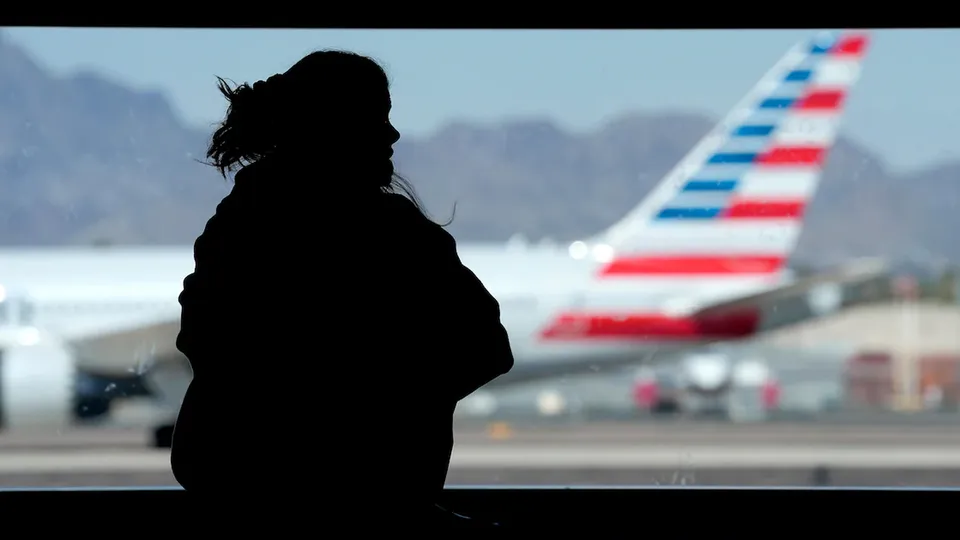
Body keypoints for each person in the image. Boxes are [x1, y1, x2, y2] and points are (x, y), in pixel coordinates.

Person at [170, 50, 514, 527]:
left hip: (233, 493)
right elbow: (486, 348)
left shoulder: (235, 229)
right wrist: (396, 410)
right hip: (376, 501)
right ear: (330, 126)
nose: (392, 134)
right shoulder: (393, 235)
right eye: (377, 117)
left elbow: (208, 345)